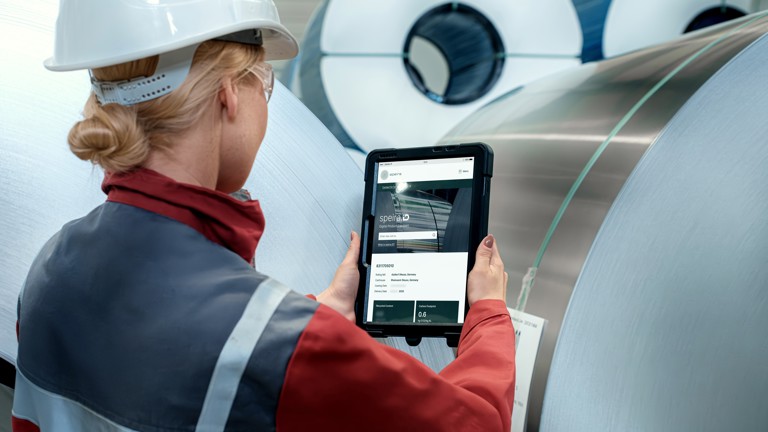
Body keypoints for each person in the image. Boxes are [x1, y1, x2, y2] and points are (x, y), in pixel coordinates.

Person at [12, 0, 516, 430]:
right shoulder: (281, 343)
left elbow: (173, 347)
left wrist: (316, 312)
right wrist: (487, 313)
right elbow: (477, 423)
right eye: (264, 83)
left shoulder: (52, 266)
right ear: (229, 92)